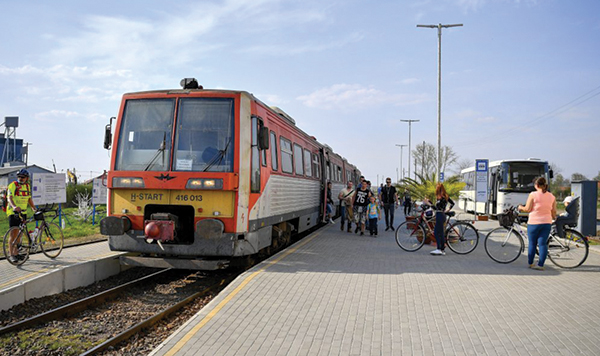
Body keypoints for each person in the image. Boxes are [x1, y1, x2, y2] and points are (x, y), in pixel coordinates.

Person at [518, 177, 556, 270]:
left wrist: (520, 207)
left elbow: (527, 209)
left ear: (537, 185)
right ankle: (540, 265)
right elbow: (554, 212)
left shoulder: (533, 195)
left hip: (534, 223)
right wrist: (553, 218)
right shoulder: (552, 196)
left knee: (532, 243)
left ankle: (530, 263)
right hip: (547, 222)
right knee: (542, 244)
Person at [6, 169, 36, 263]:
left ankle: (17, 253)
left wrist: (34, 208)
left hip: (23, 212)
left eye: (23, 177)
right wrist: (14, 206)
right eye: (19, 177)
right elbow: (9, 198)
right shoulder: (13, 185)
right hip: (13, 212)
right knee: (13, 233)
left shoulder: (27, 186)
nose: (20, 178)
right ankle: (11, 254)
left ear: (27, 178)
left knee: (20, 233)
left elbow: (29, 199)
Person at [428, 183, 454, 256]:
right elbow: (452, 203)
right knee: (440, 232)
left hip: (440, 215)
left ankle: (439, 249)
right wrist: (448, 209)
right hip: (441, 215)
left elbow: (437, 208)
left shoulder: (441, 198)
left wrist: (429, 204)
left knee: (437, 232)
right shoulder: (445, 196)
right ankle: (442, 249)